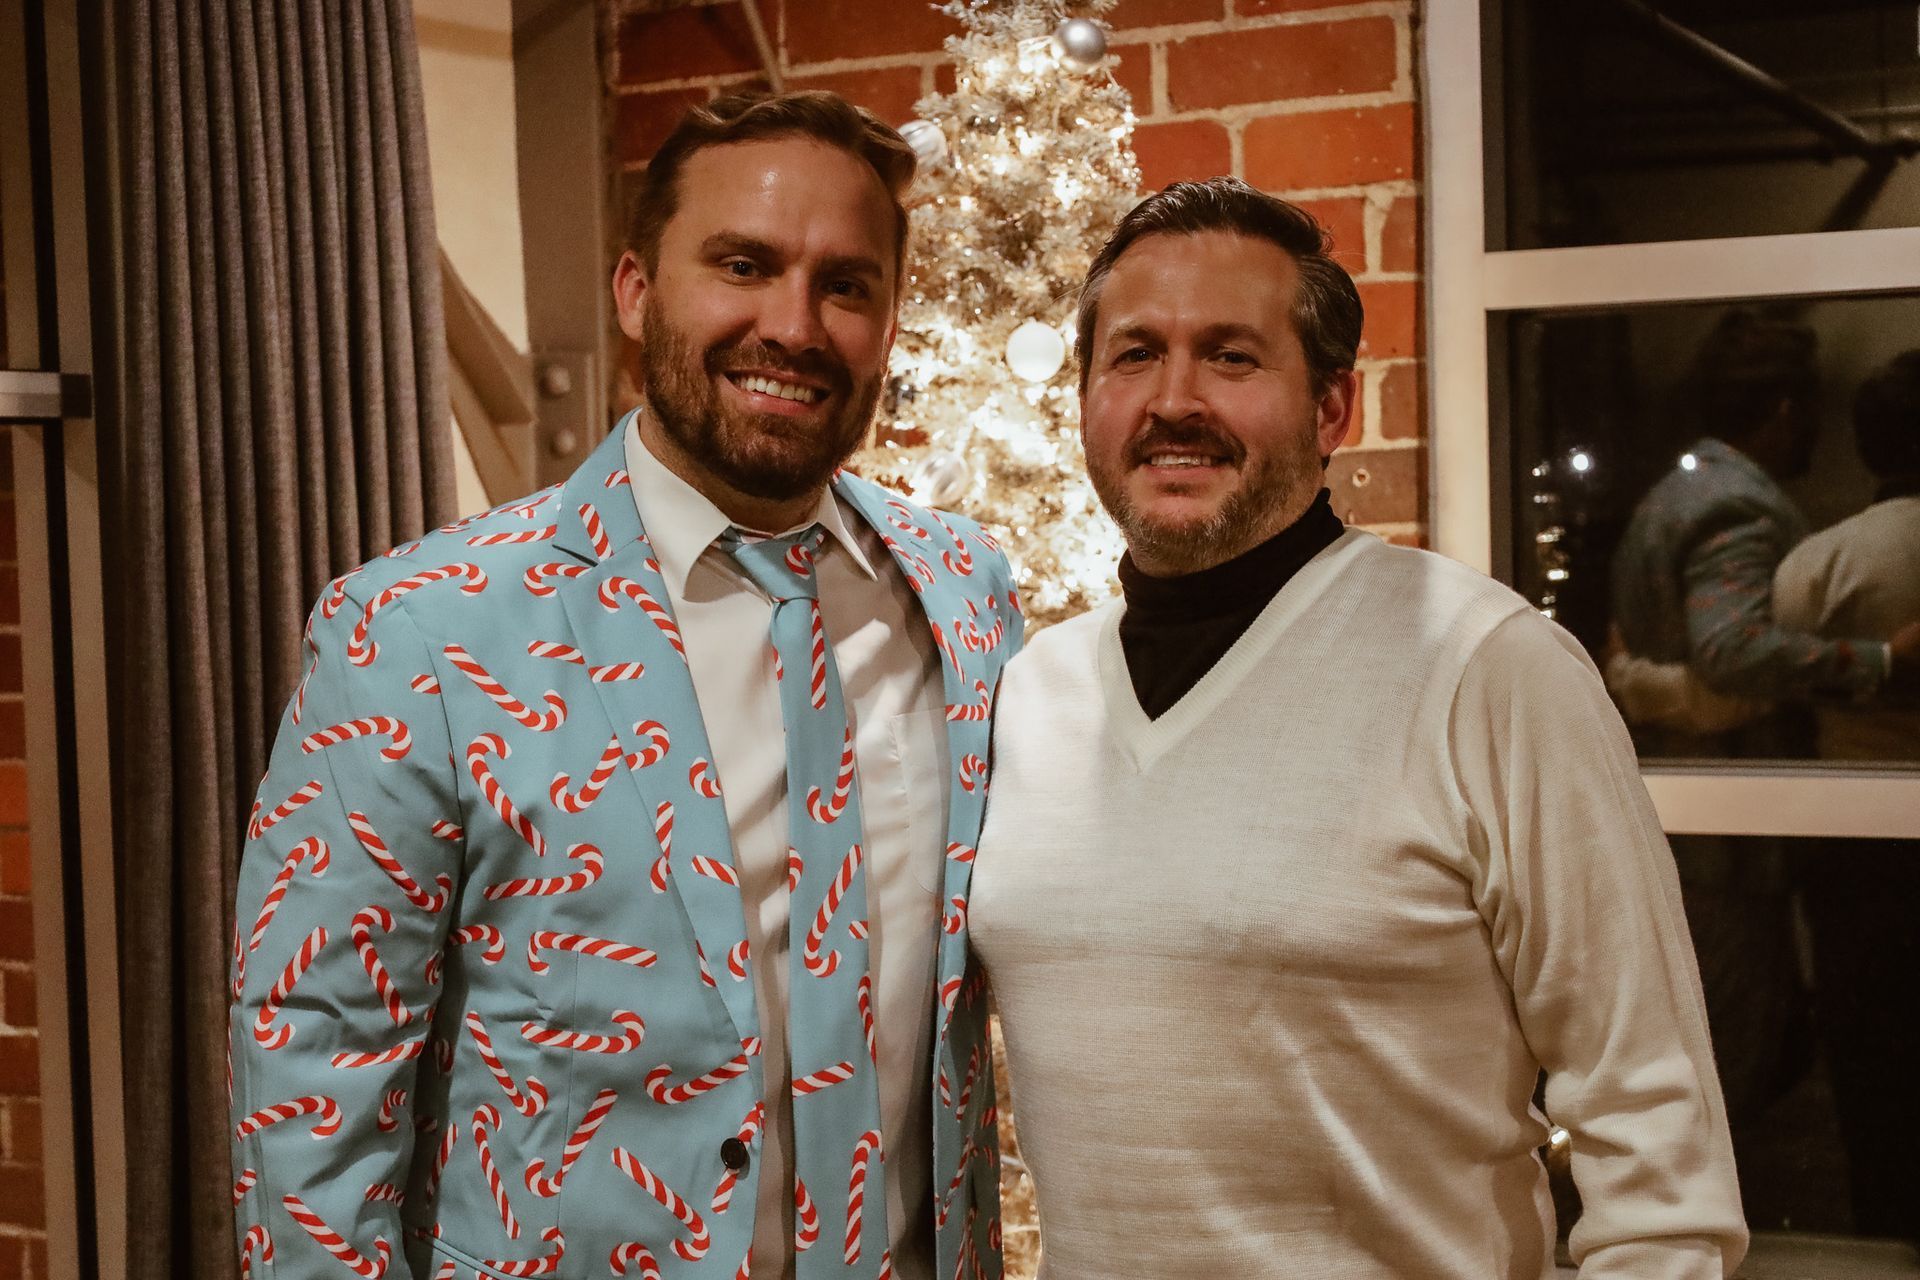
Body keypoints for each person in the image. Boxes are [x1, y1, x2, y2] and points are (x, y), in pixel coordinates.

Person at [229, 91, 1019, 1280]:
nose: (793, 325)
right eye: (743, 264)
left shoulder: (962, 594)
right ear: (637, 289)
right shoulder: (420, 629)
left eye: (846, 284)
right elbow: (314, 1058)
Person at [968, 178, 1745, 1278]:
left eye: (1232, 356)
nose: (1173, 399)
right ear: (1086, 395)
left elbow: (1660, 1150)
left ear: (1331, 408)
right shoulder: (1030, 692)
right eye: (1134, 354)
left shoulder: (1489, 668)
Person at [1772, 349, 1920, 1242]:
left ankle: (1882, 1231)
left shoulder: (1821, 563)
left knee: (1874, 1069)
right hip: (1860, 846)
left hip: (1853, 850)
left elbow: (1773, 693)